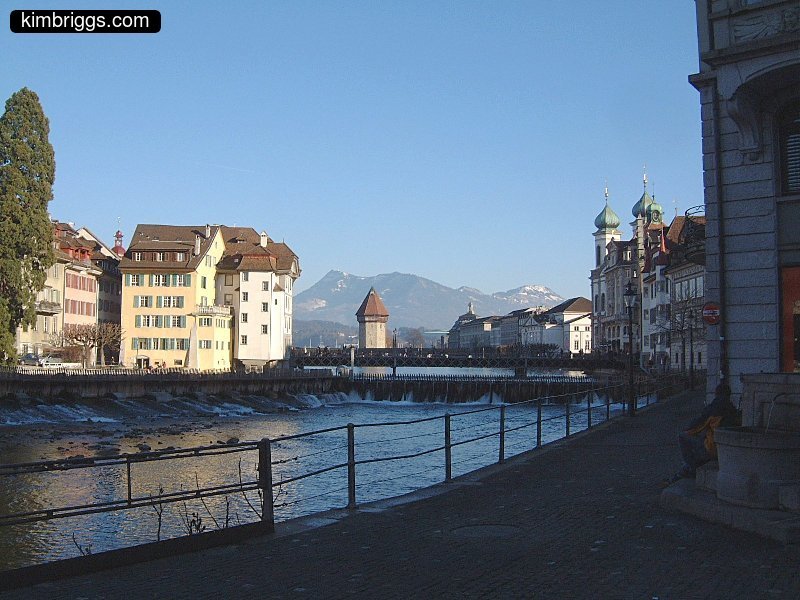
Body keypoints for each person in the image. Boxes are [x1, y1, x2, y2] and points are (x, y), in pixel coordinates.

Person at [672, 382, 740, 481]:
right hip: (727, 449)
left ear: (716, 394)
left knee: (682, 437)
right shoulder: (732, 410)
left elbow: (696, 426)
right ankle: (689, 466)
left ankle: (692, 467)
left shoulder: (713, 409)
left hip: (713, 449)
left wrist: (687, 429)